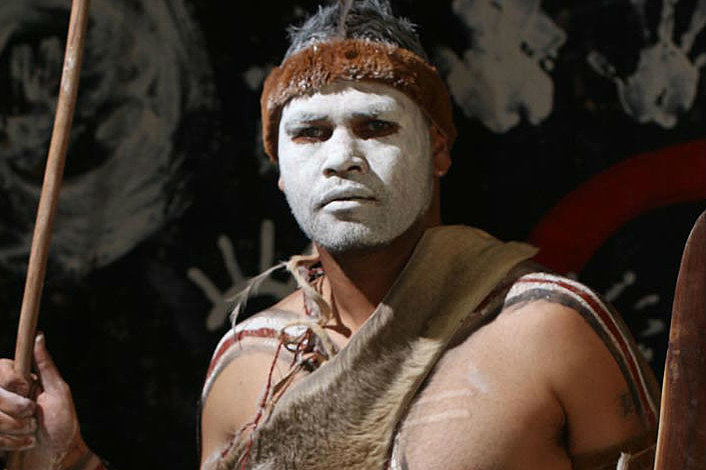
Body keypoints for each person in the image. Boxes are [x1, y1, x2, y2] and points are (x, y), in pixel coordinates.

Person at [0, 1, 659, 469]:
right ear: (279, 168)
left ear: (438, 149)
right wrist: (68, 460)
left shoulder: (549, 331)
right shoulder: (247, 365)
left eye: (375, 126)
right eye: (311, 133)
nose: (342, 157)